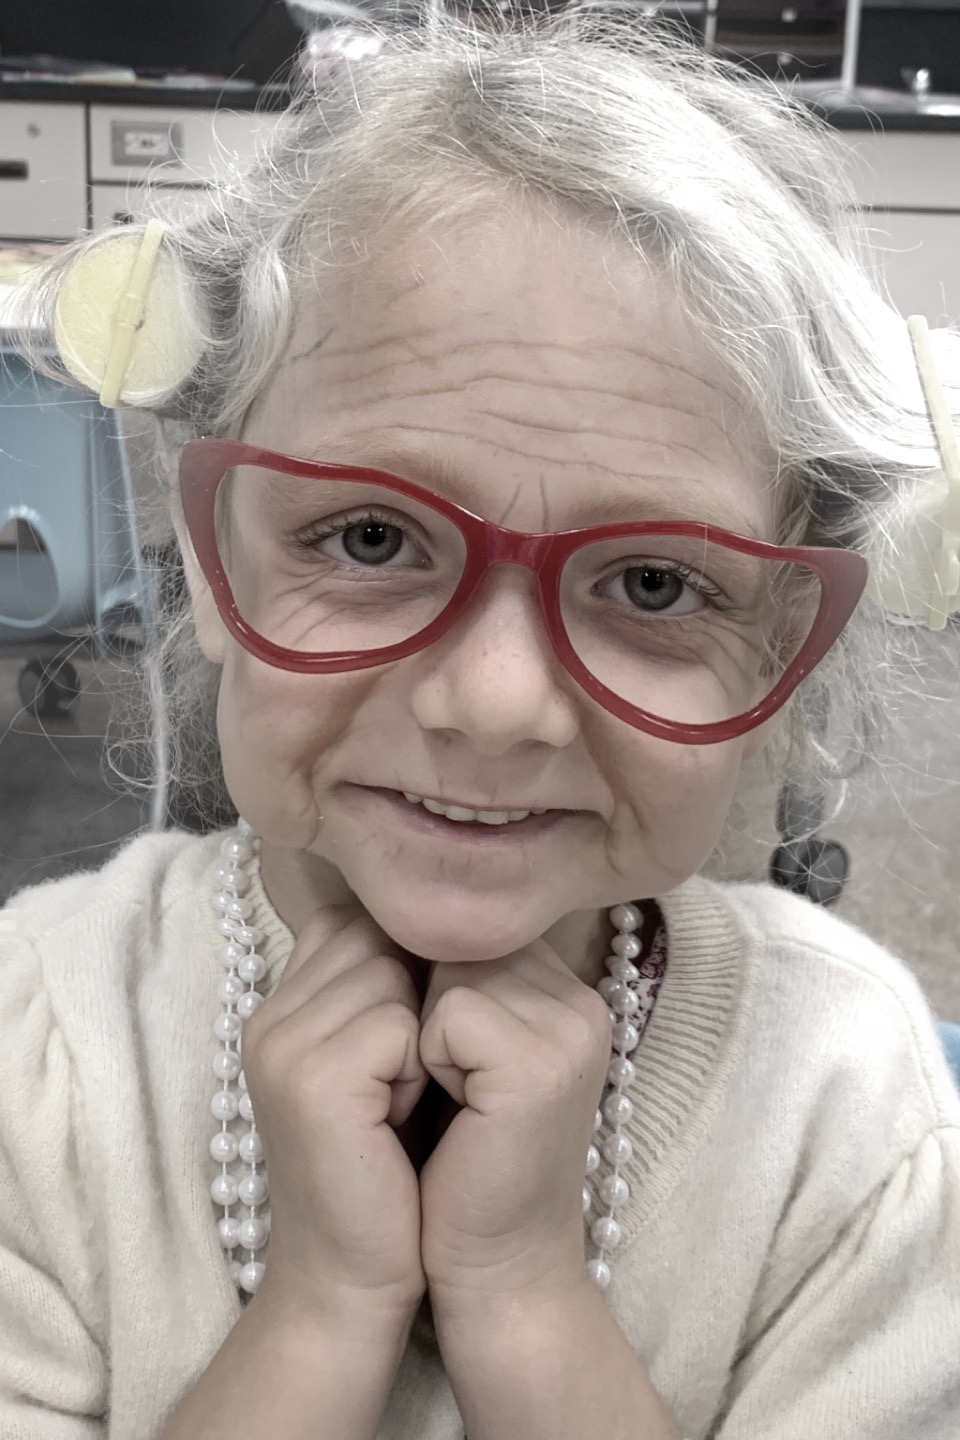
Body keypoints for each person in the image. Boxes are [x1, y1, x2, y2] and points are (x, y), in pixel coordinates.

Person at [5, 10, 960, 1439]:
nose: (497, 702)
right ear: (213, 564)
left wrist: (523, 1295)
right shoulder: (34, 1049)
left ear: (780, 648)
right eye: (372, 537)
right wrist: (323, 1305)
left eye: (655, 583)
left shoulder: (849, 1113)